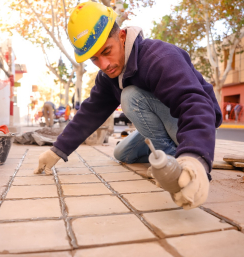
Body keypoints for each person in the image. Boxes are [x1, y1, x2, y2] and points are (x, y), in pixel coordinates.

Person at [34, 2, 222, 210]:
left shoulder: (159, 57)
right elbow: (91, 111)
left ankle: (176, 161)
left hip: (191, 121)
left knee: (130, 97)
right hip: (167, 121)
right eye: (95, 59)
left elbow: (194, 104)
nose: (104, 64)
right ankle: (171, 152)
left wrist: (196, 158)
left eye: (107, 51)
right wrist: (57, 150)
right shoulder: (108, 76)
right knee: (122, 153)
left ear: (122, 36)